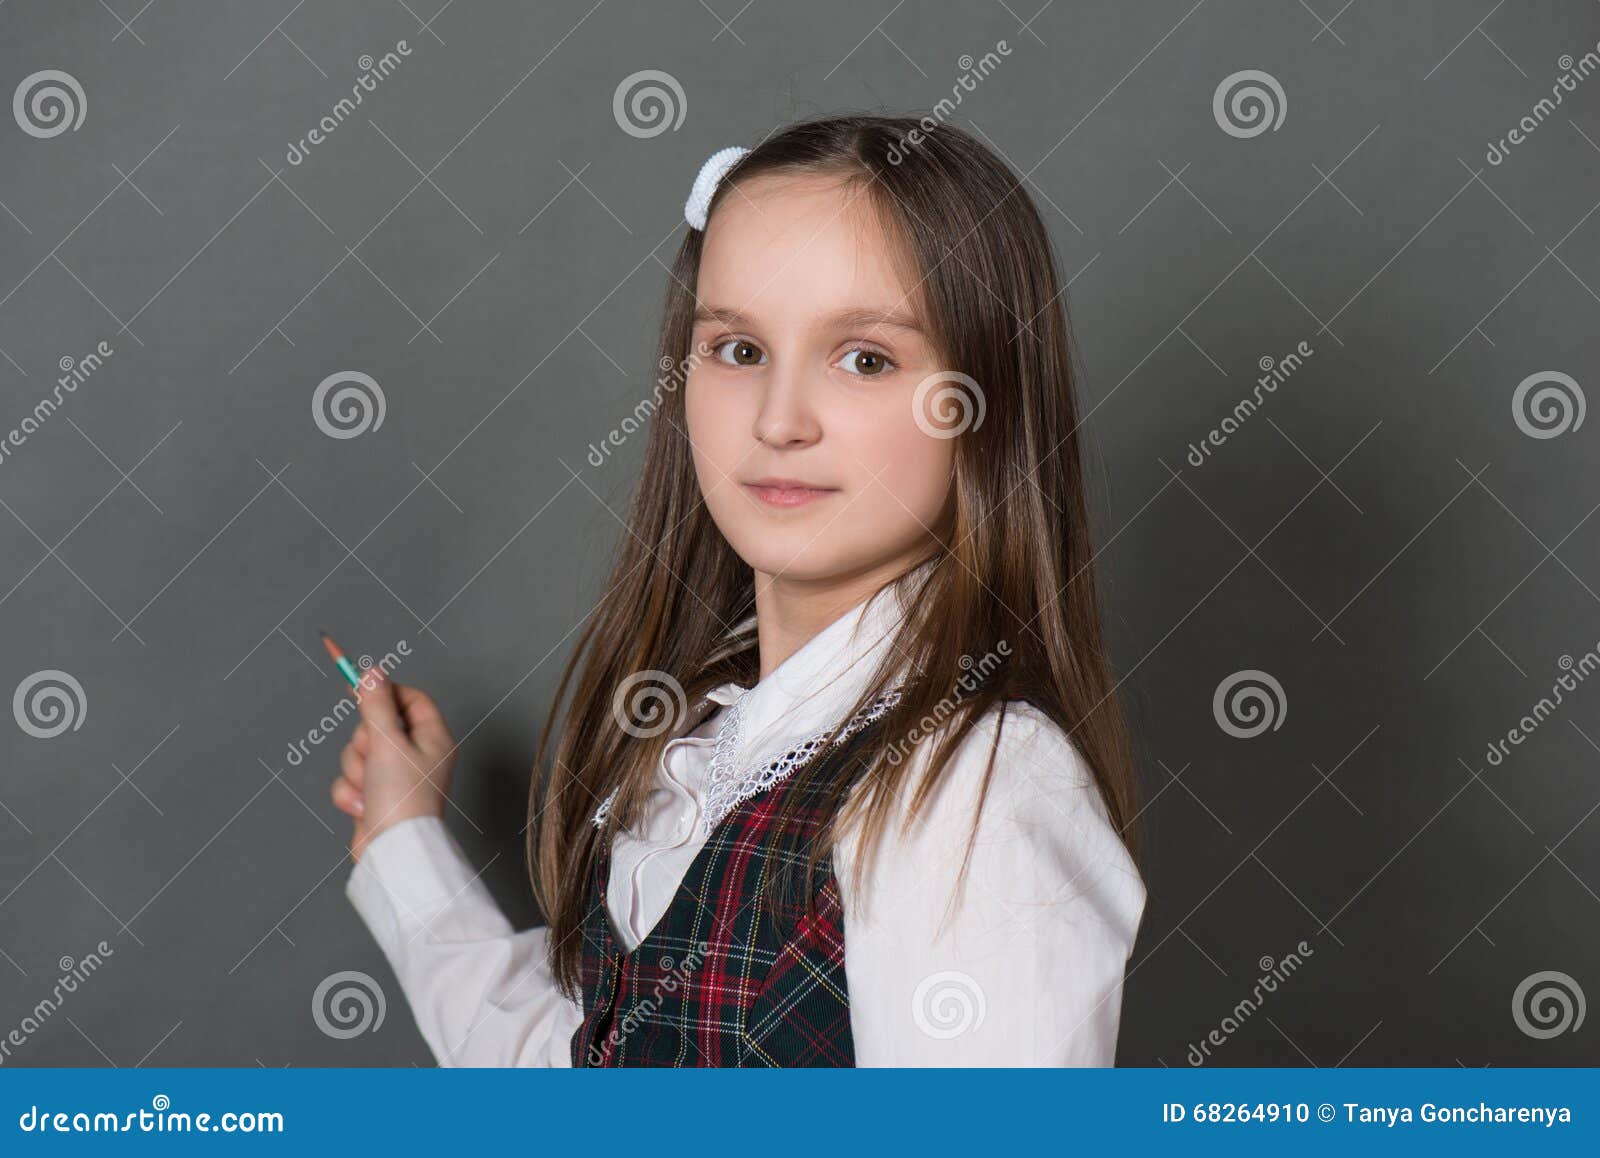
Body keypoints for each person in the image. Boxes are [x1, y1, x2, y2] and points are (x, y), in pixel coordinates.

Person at [332, 114, 1148, 1066]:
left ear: (981, 403)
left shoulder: (976, 787)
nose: (778, 418)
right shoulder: (698, 744)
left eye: (866, 358)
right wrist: (403, 843)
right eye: (739, 349)